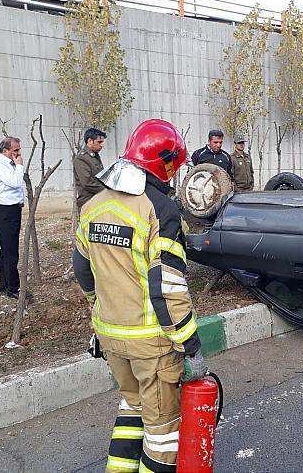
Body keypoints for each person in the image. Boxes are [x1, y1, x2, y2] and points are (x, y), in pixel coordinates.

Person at [73, 119, 206, 473]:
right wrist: (189, 344)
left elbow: (84, 272)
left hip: (110, 337)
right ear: (164, 164)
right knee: (162, 432)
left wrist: (98, 311)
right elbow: (170, 288)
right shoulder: (160, 210)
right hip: (152, 344)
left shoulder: (93, 206)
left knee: (132, 407)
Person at [0, 137, 31, 300]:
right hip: (2, 212)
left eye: (19, 149)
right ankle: (13, 288)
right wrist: (19, 166)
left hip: (11, 210)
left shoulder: (10, 164)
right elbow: (14, 182)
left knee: (6, 250)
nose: (19, 153)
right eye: (15, 150)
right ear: (5, 151)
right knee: (11, 252)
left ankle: (3, 285)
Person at [73, 128, 106, 210]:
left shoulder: (94, 156)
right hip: (88, 203)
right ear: (90, 141)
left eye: (102, 142)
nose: (102, 145)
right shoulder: (81, 158)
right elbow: (87, 182)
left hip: (98, 200)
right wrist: (107, 191)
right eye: (99, 142)